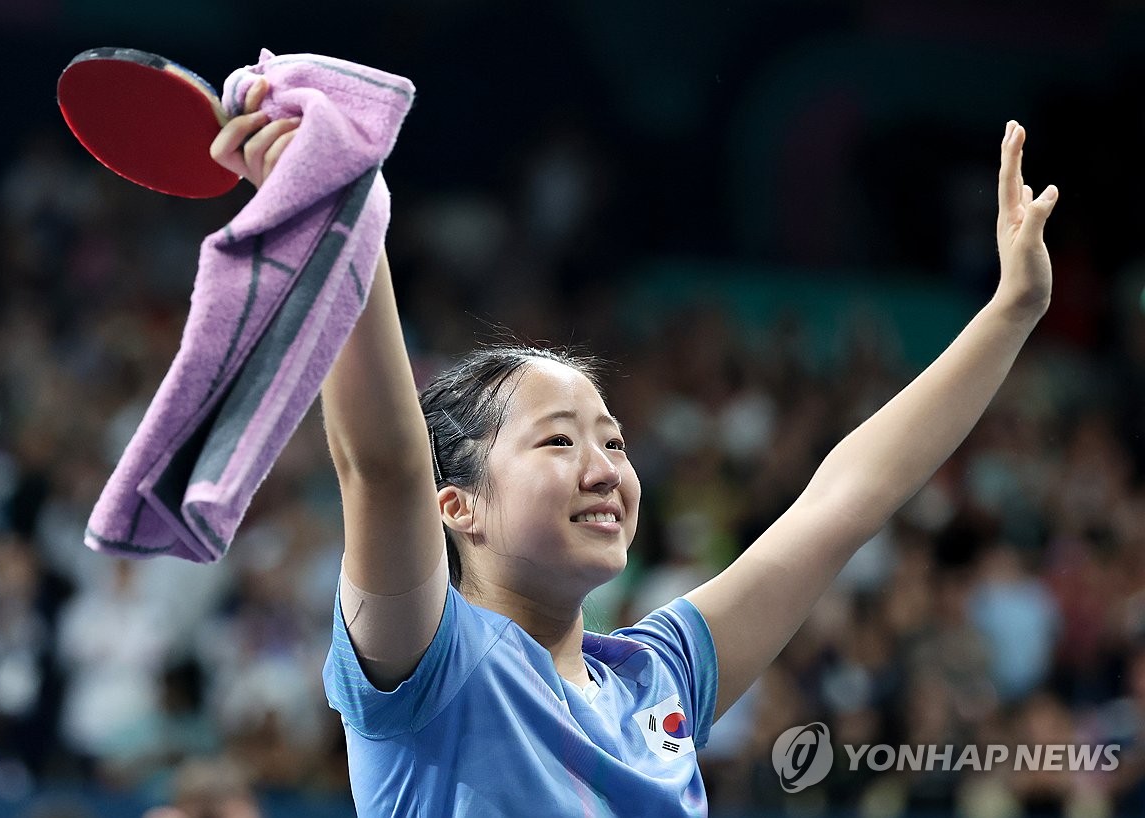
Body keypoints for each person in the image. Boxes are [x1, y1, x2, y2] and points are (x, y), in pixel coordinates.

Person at [210, 77, 1058, 816]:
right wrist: (336, 212)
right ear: (458, 504)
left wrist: (1008, 313)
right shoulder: (428, 668)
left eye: (613, 441)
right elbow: (383, 463)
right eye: (556, 441)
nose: (604, 469)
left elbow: (845, 501)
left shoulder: (661, 678)